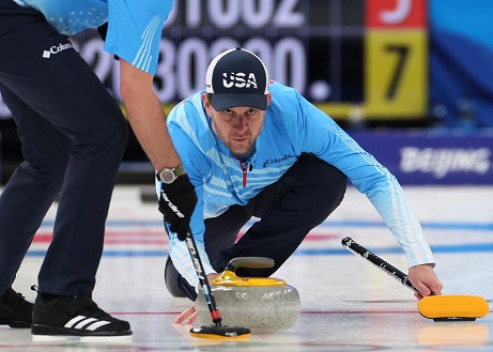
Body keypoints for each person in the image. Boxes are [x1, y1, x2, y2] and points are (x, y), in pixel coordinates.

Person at [0, 0, 265, 340]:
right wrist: (173, 178)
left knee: (52, 153)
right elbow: (134, 91)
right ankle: (64, 299)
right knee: (101, 132)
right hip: (5, 16)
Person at [161, 47, 444, 322]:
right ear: (209, 105)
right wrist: (206, 283)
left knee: (328, 180)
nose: (240, 128)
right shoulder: (183, 133)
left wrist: (419, 258)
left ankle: (236, 277)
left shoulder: (295, 114)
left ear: (268, 101)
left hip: (266, 188)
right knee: (188, 278)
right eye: (228, 113)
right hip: (214, 208)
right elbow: (182, 231)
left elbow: (375, 177)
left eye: (251, 112)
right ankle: (196, 277)